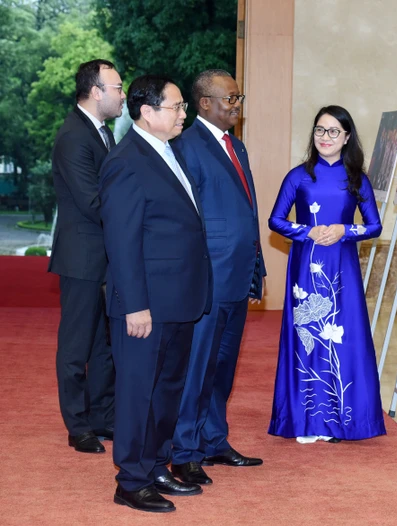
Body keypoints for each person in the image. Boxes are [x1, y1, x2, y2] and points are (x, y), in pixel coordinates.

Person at [99, 75, 212, 513]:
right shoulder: (127, 161)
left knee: (166, 390)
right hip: (145, 305)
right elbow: (122, 242)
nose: (185, 113)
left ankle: (153, 466)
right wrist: (135, 305)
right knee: (137, 392)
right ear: (147, 112)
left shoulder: (169, 151)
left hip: (178, 298)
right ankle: (130, 480)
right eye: (177, 106)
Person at [268, 105, 386, 443]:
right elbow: (275, 220)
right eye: (320, 130)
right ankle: (308, 419)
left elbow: (374, 226)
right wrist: (307, 232)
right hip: (306, 265)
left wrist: (344, 230)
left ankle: (345, 420)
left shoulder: (356, 178)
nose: (325, 137)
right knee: (308, 335)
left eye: (334, 131)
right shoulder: (298, 175)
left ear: (347, 137)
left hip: (342, 266)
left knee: (344, 337)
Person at [170, 70, 265, 486]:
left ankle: (213, 440)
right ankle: (184, 450)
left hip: (238, 274)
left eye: (238, 97)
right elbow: (185, 220)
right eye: (230, 98)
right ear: (204, 103)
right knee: (197, 368)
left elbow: (247, 211)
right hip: (208, 279)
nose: (236, 105)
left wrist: (256, 265)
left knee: (222, 366)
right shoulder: (186, 147)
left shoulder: (236, 147)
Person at [49, 59, 125, 454]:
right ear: (95, 92)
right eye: (117, 87)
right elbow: (93, 202)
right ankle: (77, 425)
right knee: (77, 346)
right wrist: (135, 221)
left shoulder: (102, 132)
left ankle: (101, 417)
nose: (123, 94)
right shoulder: (74, 137)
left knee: (103, 346)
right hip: (81, 257)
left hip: (104, 256)